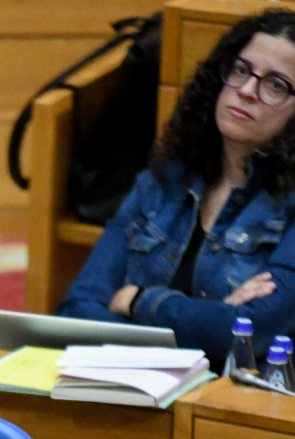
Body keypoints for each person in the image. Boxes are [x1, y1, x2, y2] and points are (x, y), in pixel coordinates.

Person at [58, 10, 295, 369]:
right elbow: (77, 311)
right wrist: (205, 322)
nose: (246, 91)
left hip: (233, 407)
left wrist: (141, 302)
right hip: (135, 388)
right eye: (241, 70)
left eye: (276, 85)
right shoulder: (165, 176)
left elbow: (253, 332)